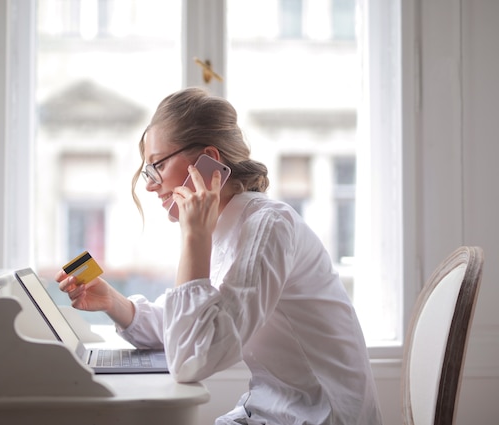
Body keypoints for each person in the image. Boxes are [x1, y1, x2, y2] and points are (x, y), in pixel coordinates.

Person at [56, 87, 383, 425]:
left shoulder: (269, 227)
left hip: (320, 417)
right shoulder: (229, 228)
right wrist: (113, 302)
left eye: (158, 166)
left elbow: (190, 360)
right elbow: (185, 326)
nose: (151, 185)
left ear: (208, 160)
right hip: (273, 412)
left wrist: (194, 237)